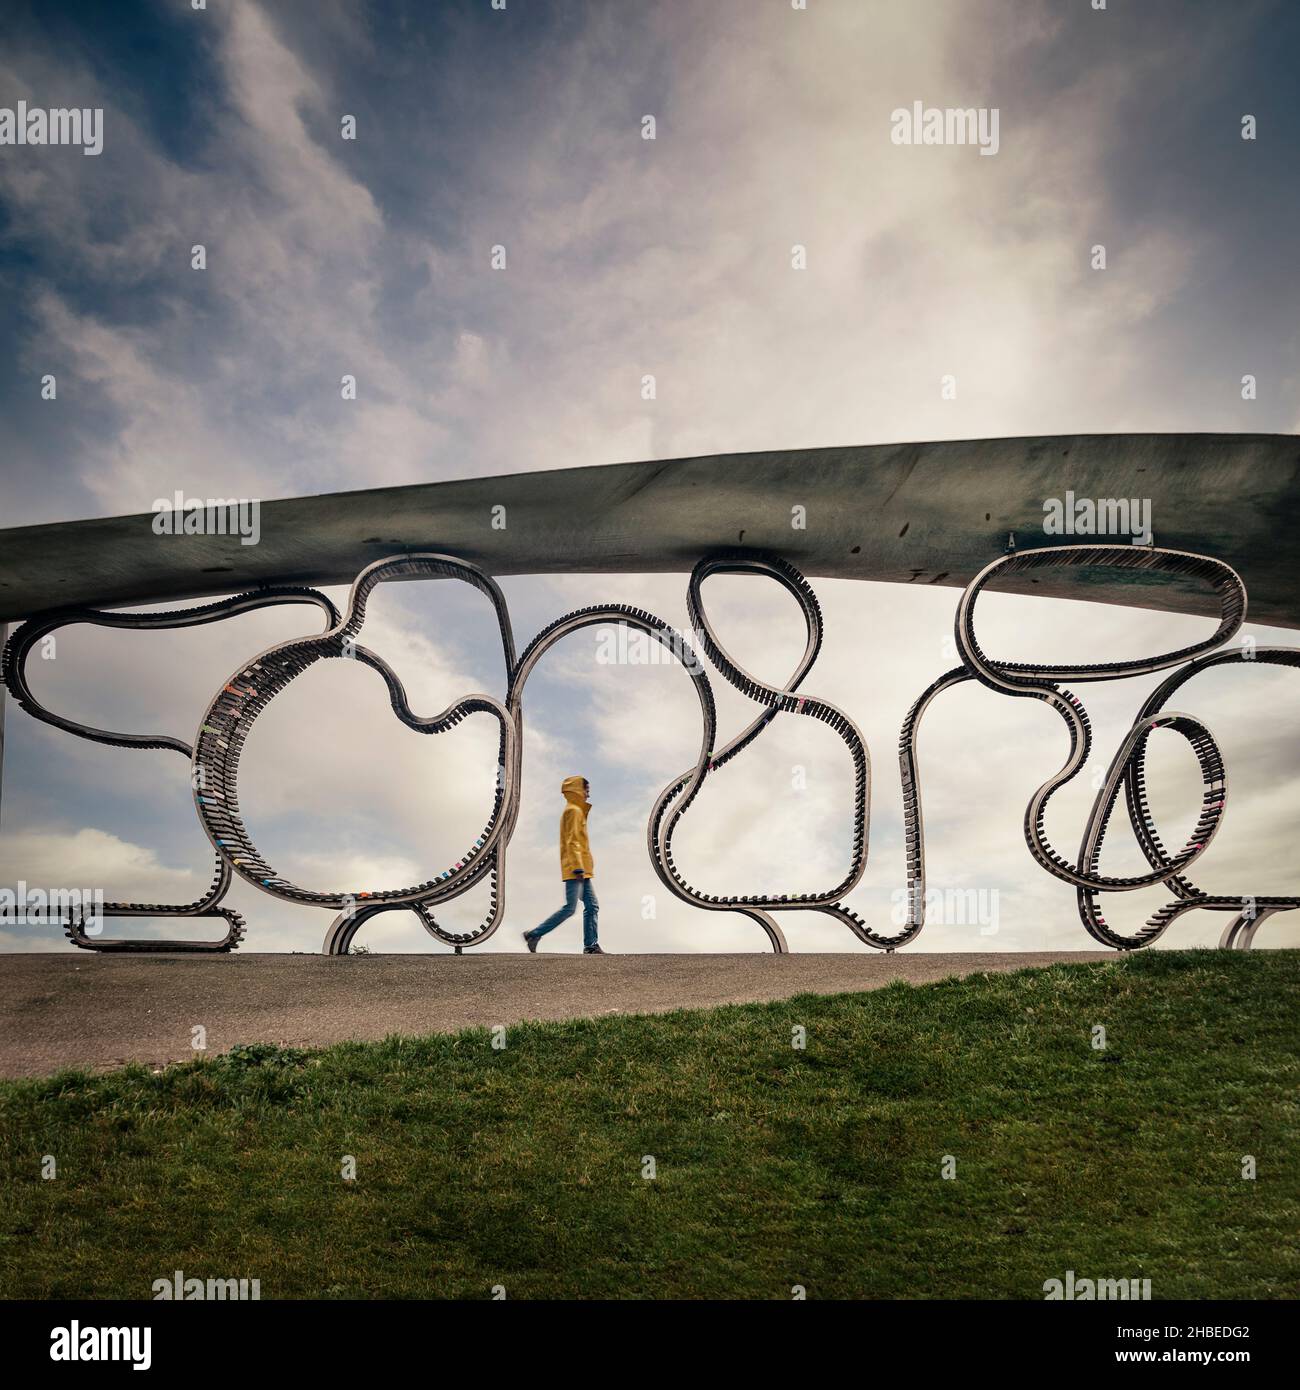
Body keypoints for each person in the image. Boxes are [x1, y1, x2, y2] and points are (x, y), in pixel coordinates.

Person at [524, 775, 603, 954]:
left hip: (581, 869)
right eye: (586, 790)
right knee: (570, 908)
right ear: (578, 790)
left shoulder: (575, 810)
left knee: (592, 906)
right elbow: (572, 841)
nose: (588, 795)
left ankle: (591, 945)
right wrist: (578, 867)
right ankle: (534, 934)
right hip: (577, 869)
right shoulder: (573, 811)